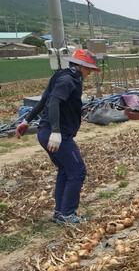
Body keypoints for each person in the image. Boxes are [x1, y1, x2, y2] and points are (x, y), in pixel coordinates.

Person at [15, 49, 101, 224]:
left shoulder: (61, 76)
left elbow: (43, 100)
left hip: (48, 131)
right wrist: (55, 131)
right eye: (89, 69)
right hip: (55, 133)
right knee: (78, 172)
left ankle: (60, 212)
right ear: (81, 65)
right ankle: (68, 215)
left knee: (65, 171)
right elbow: (53, 102)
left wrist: (27, 121)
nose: (90, 73)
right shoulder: (67, 80)